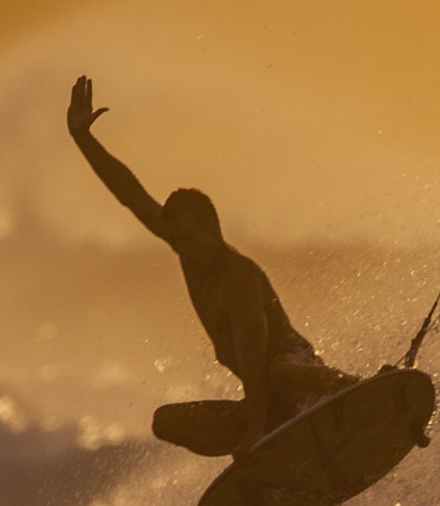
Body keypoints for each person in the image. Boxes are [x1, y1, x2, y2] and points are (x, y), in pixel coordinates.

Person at [67, 75, 359, 457]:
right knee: (167, 421)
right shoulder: (186, 249)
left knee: (277, 372)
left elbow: (255, 365)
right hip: (266, 401)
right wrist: (83, 138)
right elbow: (131, 195)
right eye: (174, 240)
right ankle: (277, 437)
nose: (181, 249)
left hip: (296, 374)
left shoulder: (236, 279)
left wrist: (254, 431)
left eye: (188, 238)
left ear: (213, 229)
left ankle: (349, 389)